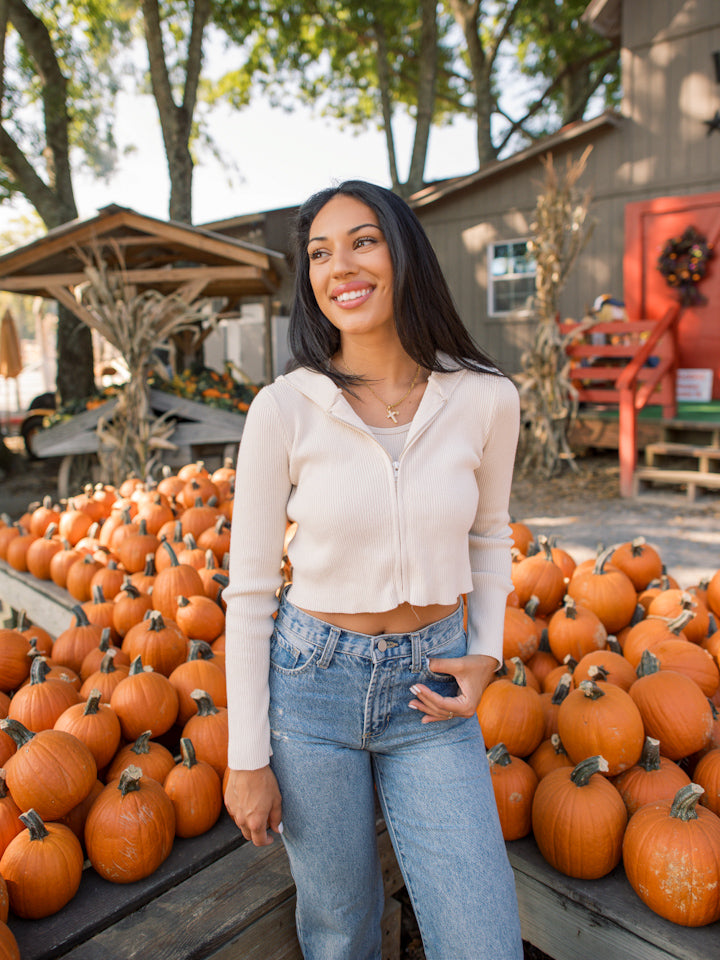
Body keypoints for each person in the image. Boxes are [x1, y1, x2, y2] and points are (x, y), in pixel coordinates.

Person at [223, 180, 523, 960]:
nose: (339, 266)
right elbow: (251, 591)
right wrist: (246, 759)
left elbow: (490, 536)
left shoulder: (485, 398)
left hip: (432, 695)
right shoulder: (284, 408)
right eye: (319, 253)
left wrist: (486, 651)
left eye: (362, 240)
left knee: (483, 940)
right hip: (312, 692)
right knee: (341, 932)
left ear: (403, 252)